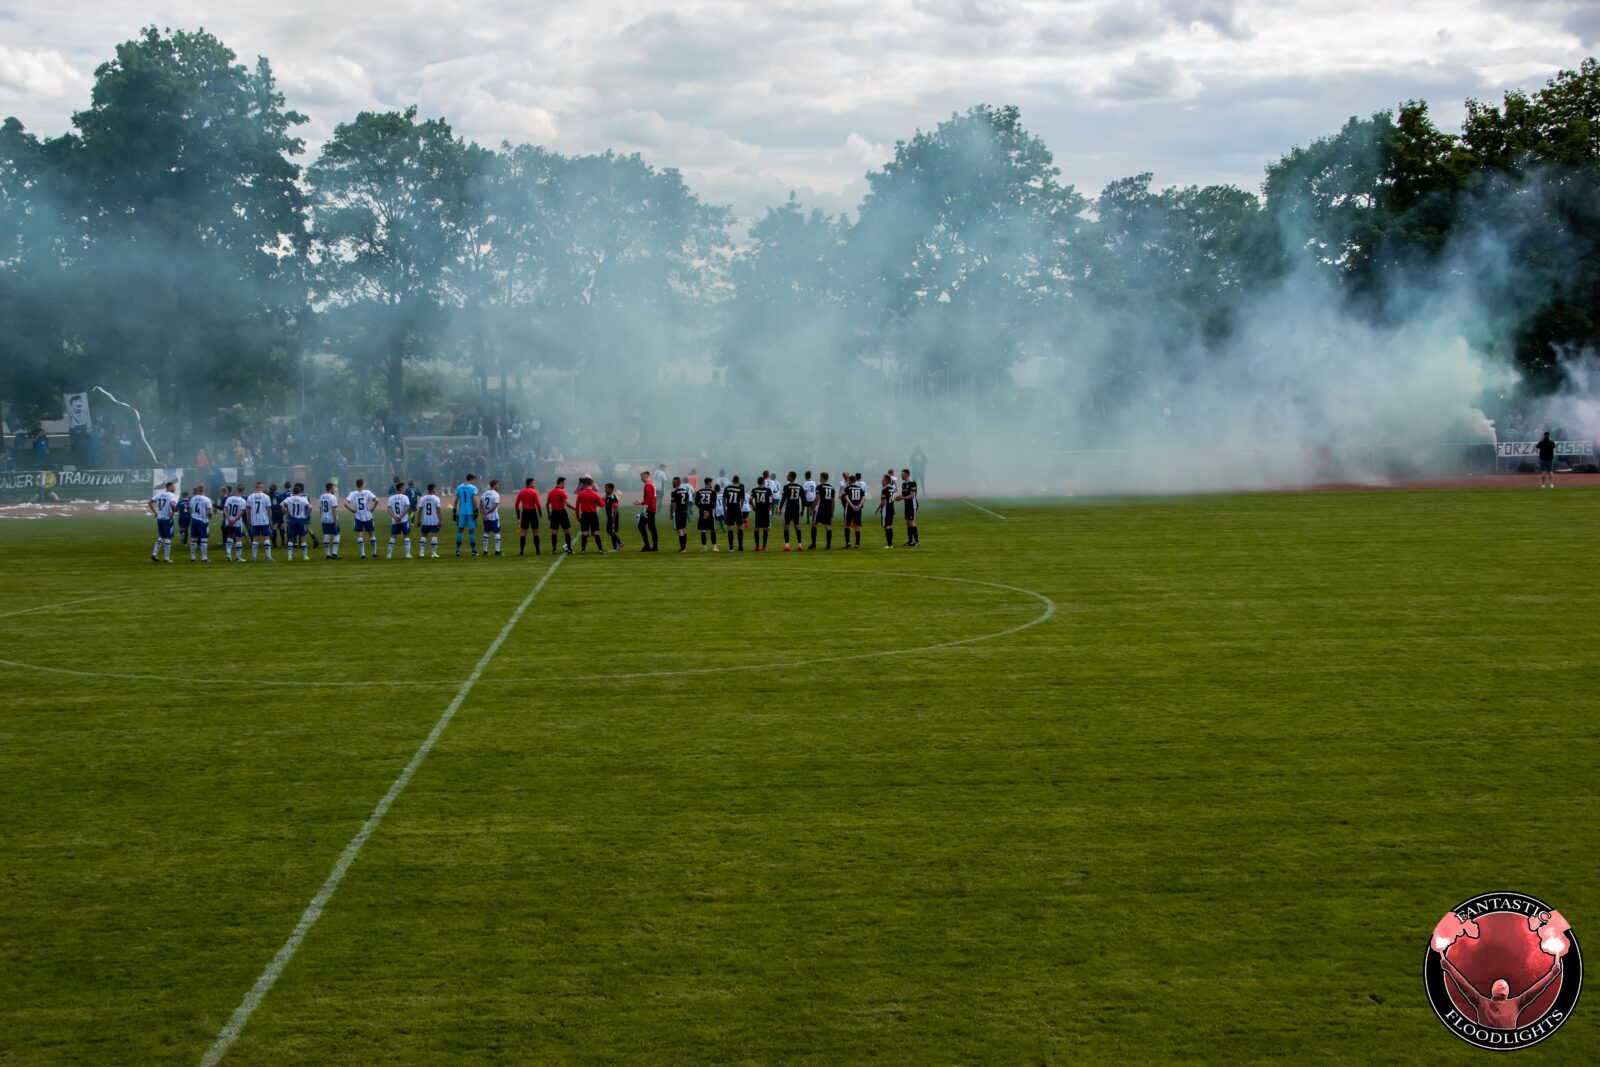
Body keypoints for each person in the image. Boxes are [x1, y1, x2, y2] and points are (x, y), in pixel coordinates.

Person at [1439, 951, 1561, 1030]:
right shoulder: (1512, 1003)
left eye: (1504, 985)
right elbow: (1463, 985)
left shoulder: (1483, 1002)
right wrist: (1552, 974)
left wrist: (1449, 968)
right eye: (1501, 985)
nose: (1503, 986)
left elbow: (1463, 985)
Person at [344, 478, 378, 559]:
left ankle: (363, 554)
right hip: (368, 516)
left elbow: (345, 504)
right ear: (363, 484)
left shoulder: (353, 493)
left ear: (357, 485)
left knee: (360, 536)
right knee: (371, 535)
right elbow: (377, 500)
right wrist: (372, 509)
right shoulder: (367, 492)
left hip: (358, 516)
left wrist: (352, 510)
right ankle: (374, 553)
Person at [148, 480, 179, 562]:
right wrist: (172, 513)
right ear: (169, 487)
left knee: (161, 536)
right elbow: (173, 504)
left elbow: (150, 502)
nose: (174, 487)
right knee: (168, 537)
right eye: (173, 486)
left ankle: (154, 554)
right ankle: (167, 558)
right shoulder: (172, 495)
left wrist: (155, 512)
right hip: (167, 519)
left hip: (160, 518)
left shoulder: (160, 494)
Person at [575, 477, 607, 553]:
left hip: (584, 515)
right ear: (591, 484)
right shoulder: (595, 494)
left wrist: (577, 516)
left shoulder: (580, 494)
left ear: (584, 484)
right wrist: (603, 499)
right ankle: (600, 549)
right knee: (596, 532)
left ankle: (583, 550)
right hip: (593, 515)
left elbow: (577, 507)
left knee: (584, 533)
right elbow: (602, 505)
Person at [246, 481, 275, 562]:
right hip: (264, 520)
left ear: (255, 487)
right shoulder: (266, 497)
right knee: (266, 537)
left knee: (255, 539)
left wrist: (249, 520)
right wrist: (270, 521)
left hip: (254, 521)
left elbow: (248, 510)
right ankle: (269, 557)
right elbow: (269, 510)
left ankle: (254, 557)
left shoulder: (250, 497)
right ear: (262, 487)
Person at [454, 472, 480, 556]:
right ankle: (474, 551)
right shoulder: (473, 488)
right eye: (474, 480)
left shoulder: (459, 487)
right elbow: (474, 499)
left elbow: (456, 500)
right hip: (470, 512)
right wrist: (476, 510)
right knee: (471, 531)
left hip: (461, 512)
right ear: (472, 479)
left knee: (460, 530)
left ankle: (458, 551)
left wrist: (454, 511)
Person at [284, 483, 313, 559]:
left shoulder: (289, 498)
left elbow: (281, 504)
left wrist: (287, 511)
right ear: (300, 491)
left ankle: (289, 556)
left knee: (291, 538)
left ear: (293, 492)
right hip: (300, 520)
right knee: (302, 537)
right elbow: (310, 507)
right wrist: (306, 515)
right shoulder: (303, 499)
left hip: (292, 519)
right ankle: (305, 556)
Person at [385, 483, 413, 559]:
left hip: (395, 521)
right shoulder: (405, 497)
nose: (404, 489)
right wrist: (401, 516)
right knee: (406, 535)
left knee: (393, 536)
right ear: (400, 488)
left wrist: (395, 517)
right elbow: (407, 508)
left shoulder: (391, 498)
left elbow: (388, 509)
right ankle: (407, 554)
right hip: (403, 520)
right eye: (403, 487)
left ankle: (389, 555)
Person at [546, 476, 574, 555]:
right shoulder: (562, 491)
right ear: (561, 483)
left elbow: (547, 504)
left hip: (554, 513)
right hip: (562, 512)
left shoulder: (551, 492)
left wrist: (549, 514)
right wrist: (575, 509)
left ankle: (554, 550)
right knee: (566, 531)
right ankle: (569, 549)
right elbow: (567, 504)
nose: (565, 485)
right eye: (564, 483)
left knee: (554, 531)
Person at [515, 477, 542, 556]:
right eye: (533, 483)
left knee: (523, 533)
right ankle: (537, 551)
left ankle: (522, 551)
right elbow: (538, 504)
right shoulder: (534, 492)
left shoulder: (521, 492)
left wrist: (518, 514)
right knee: (535, 532)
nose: (534, 484)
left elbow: (516, 504)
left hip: (525, 513)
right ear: (530, 483)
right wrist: (540, 513)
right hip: (533, 512)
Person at [186, 484, 213, 562]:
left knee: (193, 540)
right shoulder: (207, 499)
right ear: (204, 490)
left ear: (198, 489)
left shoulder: (192, 499)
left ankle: (192, 557)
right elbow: (210, 512)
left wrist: (193, 516)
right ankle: (204, 558)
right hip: (203, 520)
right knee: (204, 540)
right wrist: (209, 518)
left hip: (194, 520)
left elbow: (190, 510)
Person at [222, 485, 247, 562]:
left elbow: (225, 509)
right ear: (243, 491)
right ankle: (238, 557)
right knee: (238, 539)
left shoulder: (229, 498)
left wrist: (228, 518)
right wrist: (235, 519)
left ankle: (228, 554)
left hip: (229, 521)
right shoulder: (242, 501)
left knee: (229, 536)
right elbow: (241, 512)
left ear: (236, 490)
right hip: (237, 522)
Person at [781, 470, 805, 551]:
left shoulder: (786, 487)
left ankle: (787, 545)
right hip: (796, 509)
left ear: (791, 477)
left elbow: (783, 499)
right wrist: (802, 509)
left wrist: (780, 508)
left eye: (788, 475)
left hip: (788, 509)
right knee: (797, 526)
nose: (786, 476)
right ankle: (799, 545)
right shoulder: (800, 487)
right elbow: (803, 499)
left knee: (786, 526)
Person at [635, 470, 659, 551]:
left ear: (646, 476)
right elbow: (651, 497)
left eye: (641, 477)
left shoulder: (647, 485)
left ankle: (648, 546)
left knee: (642, 526)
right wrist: (641, 503)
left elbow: (649, 497)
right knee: (651, 527)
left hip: (648, 509)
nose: (641, 479)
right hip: (652, 508)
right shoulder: (652, 484)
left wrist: (644, 507)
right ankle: (654, 546)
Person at [842, 474, 867, 548]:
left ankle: (848, 542)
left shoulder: (847, 488)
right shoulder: (860, 488)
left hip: (850, 508)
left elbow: (846, 498)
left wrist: (852, 506)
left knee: (847, 525)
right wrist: (859, 506)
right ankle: (857, 544)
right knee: (857, 525)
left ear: (849, 480)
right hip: (858, 509)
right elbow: (863, 498)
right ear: (855, 481)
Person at [748, 476, 773, 551]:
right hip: (765, 510)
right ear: (763, 482)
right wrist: (770, 506)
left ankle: (757, 546)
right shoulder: (768, 490)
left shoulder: (754, 490)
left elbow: (750, 499)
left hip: (758, 510)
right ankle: (764, 547)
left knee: (757, 528)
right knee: (765, 528)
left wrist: (753, 506)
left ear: (758, 482)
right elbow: (773, 498)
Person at [812, 473, 836, 549]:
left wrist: (812, 508)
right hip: (828, 509)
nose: (819, 478)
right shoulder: (832, 488)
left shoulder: (819, 487)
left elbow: (817, 499)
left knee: (814, 524)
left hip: (820, 508)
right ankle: (828, 545)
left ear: (822, 478)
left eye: (820, 477)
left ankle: (813, 544)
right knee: (828, 526)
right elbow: (833, 501)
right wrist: (832, 511)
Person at [418, 484, 444, 557]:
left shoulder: (422, 498)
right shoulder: (436, 498)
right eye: (435, 488)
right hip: (434, 520)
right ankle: (433, 553)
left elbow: (420, 510)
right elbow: (438, 510)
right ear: (432, 489)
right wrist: (440, 521)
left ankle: (421, 553)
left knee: (423, 535)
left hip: (425, 520)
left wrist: (419, 520)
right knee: (434, 535)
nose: (435, 490)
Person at [694, 477, 720, 551]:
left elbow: (696, 503)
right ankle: (714, 547)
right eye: (711, 483)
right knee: (712, 530)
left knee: (703, 530)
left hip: (702, 513)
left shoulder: (699, 492)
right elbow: (714, 504)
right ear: (709, 483)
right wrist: (708, 511)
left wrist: (703, 511)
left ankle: (704, 547)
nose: (712, 484)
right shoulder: (713, 492)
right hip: (710, 514)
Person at [722, 477, 747, 551]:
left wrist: (724, 509)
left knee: (730, 528)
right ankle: (740, 546)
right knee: (740, 527)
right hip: (737, 509)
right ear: (739, 481)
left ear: (732, 481)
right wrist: (740, 507)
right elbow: (742, 500)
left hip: (729, 509)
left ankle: (731, 547)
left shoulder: (727, 488)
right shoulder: (741, 489)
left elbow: (724, 500)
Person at [318, 482, 342, 559]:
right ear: (330, 488)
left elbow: (321, 509)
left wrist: (321, 518)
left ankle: (327, 554)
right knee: (337, 535)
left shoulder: (321, 496)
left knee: (326, 535)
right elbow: (334, 510)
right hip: (331, 519)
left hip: (324, 519)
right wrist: (335, 521)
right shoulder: (333, 497)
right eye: (334, 488)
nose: (335, 489)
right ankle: (334, 554)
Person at [669, 476, 692, 552]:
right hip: (684, 512)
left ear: (675, 483)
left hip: (678, 512)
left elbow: (672, 504)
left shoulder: (674, 492)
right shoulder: (685, 491)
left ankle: (683, 548)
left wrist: (671, 513)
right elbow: (687, 502)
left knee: (680, 530)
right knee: (684, 529)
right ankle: (684, 547)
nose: (672, 482)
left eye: (673, 481)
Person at [898, 467, 920, 546]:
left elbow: (912, 495)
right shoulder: (904, 484)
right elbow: (903, 494)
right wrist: (898, 497)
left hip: (912, 505)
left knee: (912, 523)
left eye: (902, 474)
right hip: (907, 505)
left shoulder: (912, 483)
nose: (901, 476)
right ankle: (910, 541)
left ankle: (917, 541)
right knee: (907, 523)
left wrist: (902, 498)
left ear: (907, 474)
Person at [482, 478, 504, 556]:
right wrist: (487, 513)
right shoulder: (496, 494)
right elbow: (494, 507)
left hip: (486, 517)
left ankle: (485, 551)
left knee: (486, 532)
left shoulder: (484, 494)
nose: (498, 486)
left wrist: (483, 514)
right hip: (494, 517)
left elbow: (480, 505)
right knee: (497, 532)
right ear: (494, 485)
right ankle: (497, 551)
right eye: (498, 485)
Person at [877, 473, 896, 548]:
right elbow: (893, 500)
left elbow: (883, 502)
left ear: (886, 480)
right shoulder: (892, 489)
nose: (881, 480)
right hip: (891, 509)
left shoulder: (884, 490)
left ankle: (890, 544)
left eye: (883, 479)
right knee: (889, 526)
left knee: (886, 526)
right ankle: (890, 544)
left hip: (886, 510)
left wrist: (878, 509)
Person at [603, 481, 623, 551]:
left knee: (611, 531)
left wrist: (613, 518)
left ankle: (617, 545)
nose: (605, 490)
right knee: (609, 531)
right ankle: (617, 545)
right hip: (610, 517)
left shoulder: (613, 498)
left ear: (610, 489)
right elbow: (601, 500)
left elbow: (615, 508)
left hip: (613, 517)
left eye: (606, 488)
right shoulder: (607, 497)